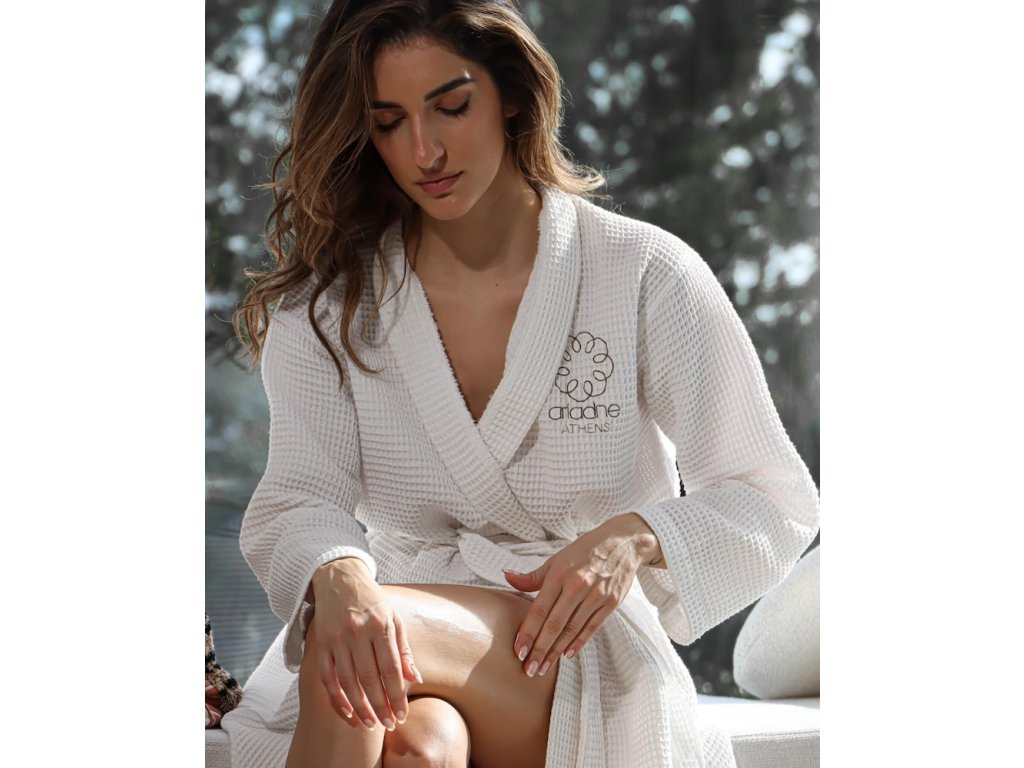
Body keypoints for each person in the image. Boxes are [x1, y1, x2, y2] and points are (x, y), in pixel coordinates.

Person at [223, 1, 820, 766]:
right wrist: (338, 576)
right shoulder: (329, 306)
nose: (425, 150)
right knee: (419, 750)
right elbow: (299, 497)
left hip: (568, 641)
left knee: (361, 657)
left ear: (510, 92)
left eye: (451, 107)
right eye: (389, 122)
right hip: (390, 618)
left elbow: (773, 497)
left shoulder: (641, 274)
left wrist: (635, 537)